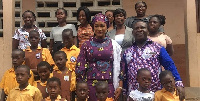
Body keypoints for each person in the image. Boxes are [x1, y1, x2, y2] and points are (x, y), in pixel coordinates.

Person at [121, 21, 185, 101]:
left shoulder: (157, 48)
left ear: (147, 30)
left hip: (155, 94)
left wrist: (178, 82)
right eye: (136, 28)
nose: (139, 30)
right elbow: (125, 74)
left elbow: (169, 65)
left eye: (142, 27)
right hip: (134, 95)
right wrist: (124, 91)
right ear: (133, 32)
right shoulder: (127, 52)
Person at [76, 13, 123, 101]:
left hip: (108, 84)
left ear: (107, 27)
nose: (99, 29)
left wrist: (119, 86)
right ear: (93, 27)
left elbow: (120, 66)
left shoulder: (114, 45)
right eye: (96, 26)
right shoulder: (87, 45)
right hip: (90, 84)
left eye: (102, 26)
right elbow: (80, 65)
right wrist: (81, 84)